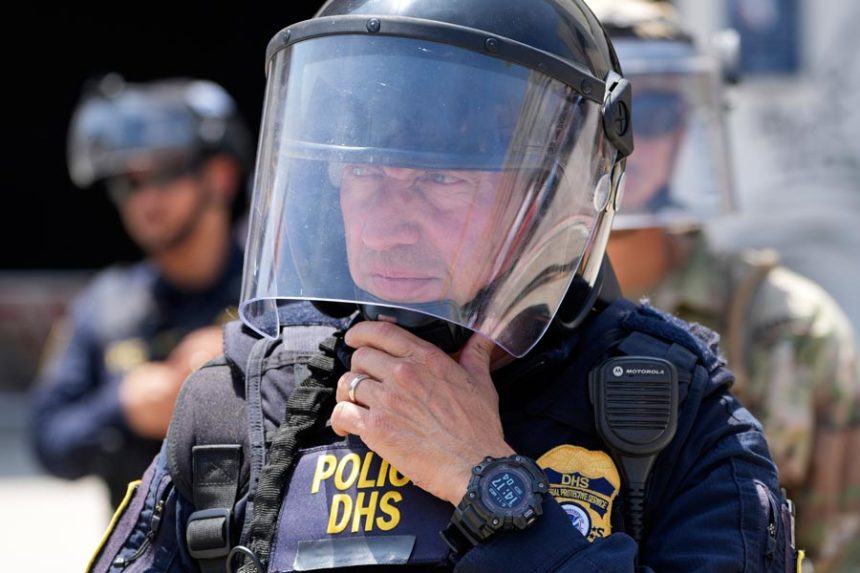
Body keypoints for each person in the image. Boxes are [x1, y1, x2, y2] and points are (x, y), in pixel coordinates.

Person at [85, 1, 803, 571]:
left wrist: (489, 484)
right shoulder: (238, 407)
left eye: (441, 180)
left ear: (555, 197)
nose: (388, 226)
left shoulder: (669, 414)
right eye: (365, 174)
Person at [585, 1, 860, 570]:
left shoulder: (786, 330)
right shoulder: (501, 317)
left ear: (688, 124)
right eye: (597, 112)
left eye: (653, 111)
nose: (626, 139)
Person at [30, 74, 253, 508]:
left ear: (221, 177)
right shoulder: (105, 303)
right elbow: (46, 438)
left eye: (165, 172)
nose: (145, 198)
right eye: (130, 181)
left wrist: (248, 361)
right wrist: (123, 406)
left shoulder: (273, 294)